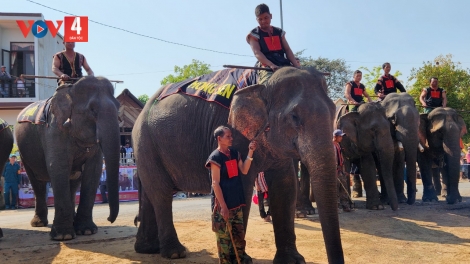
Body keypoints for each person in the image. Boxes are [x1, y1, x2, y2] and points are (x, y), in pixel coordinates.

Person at [205, 126, 257, 264]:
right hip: (223, 208)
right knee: (224, 243)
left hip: (236, 204)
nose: (231, 138)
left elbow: (244, 170)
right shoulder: (215, 158)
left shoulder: (234, 153)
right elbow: (215, 184)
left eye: (231, 136)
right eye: (228, 136)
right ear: (219, 139)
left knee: (239, 240)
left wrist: (250, 152)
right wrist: (223, 207)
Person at [246, 3, 300, 84]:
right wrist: (271, 65)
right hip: (266, 64)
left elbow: (287, 50)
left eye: (266, 18)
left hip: (282, 62)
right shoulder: (254, 34)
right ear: (256, 20)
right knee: (267, 84)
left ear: (271, 16)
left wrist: (296, 66)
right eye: (260, 19)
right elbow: (257, 53)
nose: (263, 21)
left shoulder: (279, 32)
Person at [333, 129, 352, 212]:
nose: (341, 138)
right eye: (340, 136)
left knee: (344, 189)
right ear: (335, 136)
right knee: (335, 189)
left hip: (341, 170)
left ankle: (345, 206)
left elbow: (341, 159)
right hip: (335, 170)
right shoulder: (331, 146)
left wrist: (344, 170)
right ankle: (335, 207)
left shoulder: (338, 145)